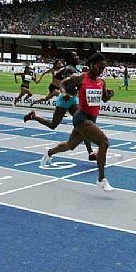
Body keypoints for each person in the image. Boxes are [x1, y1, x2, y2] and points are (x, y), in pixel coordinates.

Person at [41, 52, 115, 192]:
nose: (101, 71)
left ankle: (49, 153)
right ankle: (101, 180)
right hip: (81, 118)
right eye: (100, 67)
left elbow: (104, 99)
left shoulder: (101, 82)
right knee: (104, 142)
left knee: (70, 146)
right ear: (92, 65)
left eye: (104, 68)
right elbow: (63, 83)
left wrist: (110, 95)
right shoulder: (80, 77)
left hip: (91, 119)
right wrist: (63, 94)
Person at [25, 51, 97, 160]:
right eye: (75, 56)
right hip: (64, 100)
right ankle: (33, 116)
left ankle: (90, 153)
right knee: (53, 125)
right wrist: (64, 93)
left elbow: (60, 77)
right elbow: (63, 82)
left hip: (73, 100)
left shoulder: (72, 69)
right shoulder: (69, 69)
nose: (78, 57)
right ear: (69, 59)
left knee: (83, 124)